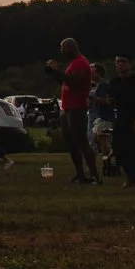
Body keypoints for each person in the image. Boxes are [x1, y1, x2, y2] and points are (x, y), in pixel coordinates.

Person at [47, 37, 98, 184]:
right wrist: (54, 73)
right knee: (71, 142)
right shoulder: (73, 64)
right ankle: (80, 175)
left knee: (81, 141)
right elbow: (65, 80)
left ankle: (95, 176)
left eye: (63, 48)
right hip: (67, 107)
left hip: (77, 107)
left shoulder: (81, 62)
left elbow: (74, 82)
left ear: (71, 47)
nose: (62, 52)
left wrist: (58, 70)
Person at [103, 57, 135, 190]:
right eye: (117, 61)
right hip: (120, 118)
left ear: (129, 64)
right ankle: (129, 177)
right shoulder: (115, 81)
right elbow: (111, 99)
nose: (120, 64)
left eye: (123, 61)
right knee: (119, 149)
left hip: (134, 118)